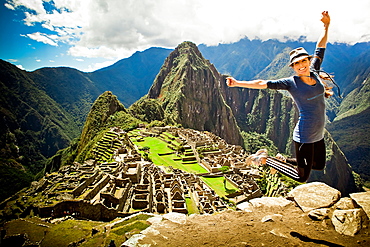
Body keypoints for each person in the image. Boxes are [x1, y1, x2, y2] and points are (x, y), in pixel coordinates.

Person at [226, 11, 331, 182]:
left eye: (303, 61)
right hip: (304, 135)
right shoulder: (291, 83)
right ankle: (267, 160)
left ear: (307, 61)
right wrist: (238, 83)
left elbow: (321, 47)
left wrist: (326, 25)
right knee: (301, 176)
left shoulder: (315, 70)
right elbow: (262, 83)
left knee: (318, 165)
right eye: (296, 63)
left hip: (318, 133)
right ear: (293, 67)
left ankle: (282, 159)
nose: (301, 65)